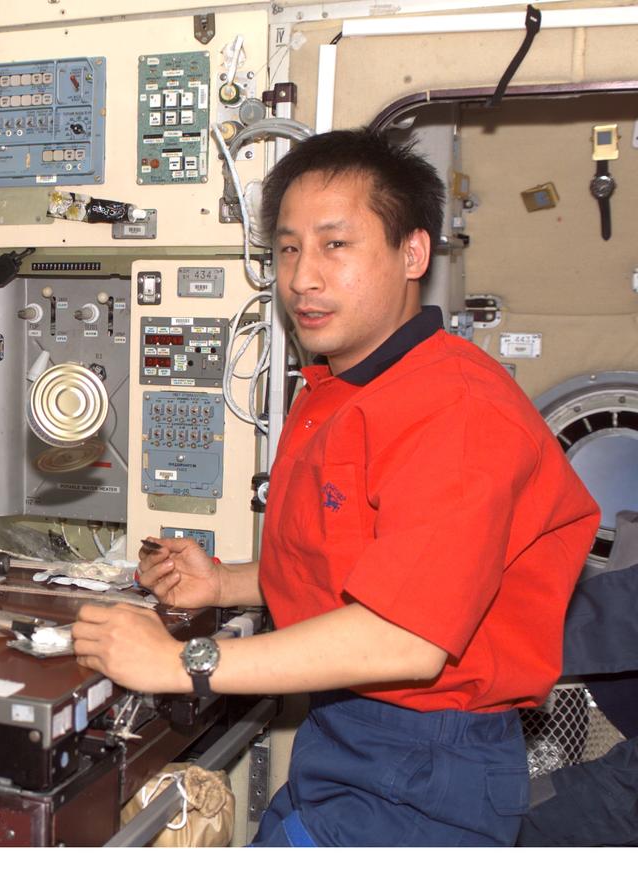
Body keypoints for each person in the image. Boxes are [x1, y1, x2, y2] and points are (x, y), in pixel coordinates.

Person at [72, 128, 599, 846]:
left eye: (334, 245)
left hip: (428, 768)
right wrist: (224, 583)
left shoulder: (456, 410)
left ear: (413, 253)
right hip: (349, 738)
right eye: (288, 248)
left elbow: (406, 636)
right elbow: (366, 566)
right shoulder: (348, 387)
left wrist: (181, 661)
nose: (302, 278)